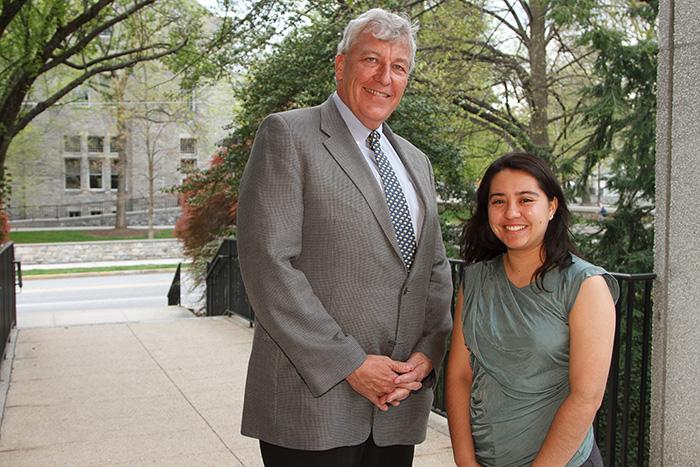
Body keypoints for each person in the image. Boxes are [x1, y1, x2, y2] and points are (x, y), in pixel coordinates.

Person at [236, 8, 453, 467]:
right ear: (341, 65)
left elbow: (433, 269)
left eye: (398, 67)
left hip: (396, 406)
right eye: (371, 60)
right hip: (312, 404)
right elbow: (268, 265)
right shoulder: (288, 135)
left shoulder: (416, 162)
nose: (384, 77)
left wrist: (428, 352)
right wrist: (351, 363)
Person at [446, 152, 619, 467]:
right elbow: (459, 375)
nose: (511, 212)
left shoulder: (585, 285)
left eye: (526, 200)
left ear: (551, 206)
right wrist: (466, 461)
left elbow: (586, 398)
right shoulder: (474, 280)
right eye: (498, 201)